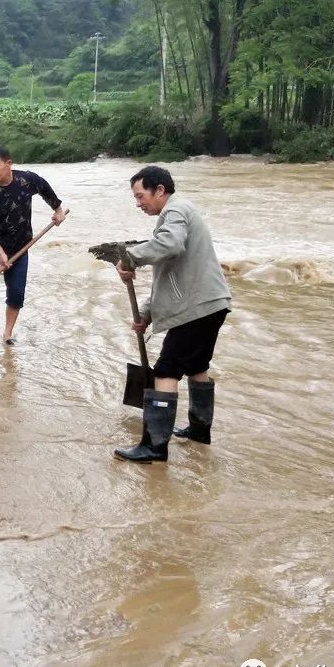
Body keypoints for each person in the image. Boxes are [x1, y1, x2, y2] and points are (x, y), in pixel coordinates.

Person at [113, 165, 232, 464]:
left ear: (160, 190)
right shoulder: (179, 213)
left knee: (166, 370)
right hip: (211, 305)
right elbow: (168, 276)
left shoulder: (175, 212)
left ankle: (154, 445)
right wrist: (145, 315)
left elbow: (170, 244)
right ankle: (199, 430)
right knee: (196, 366)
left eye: (141, 196)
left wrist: (129, 257)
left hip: (195, 309)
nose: (138, 203)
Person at [0, 146, 67, 345]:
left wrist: (57, 209)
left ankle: (7, 334)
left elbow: (45, 188)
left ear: (9, 164)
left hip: (21, 247)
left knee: (17, 292)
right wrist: (0, 253)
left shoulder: (27, 180)